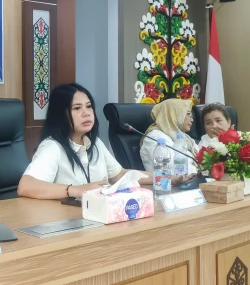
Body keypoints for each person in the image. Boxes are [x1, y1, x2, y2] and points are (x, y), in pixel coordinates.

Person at [17, 83, 154, 201]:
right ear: (60, 115)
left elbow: (120, 175)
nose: (86, 113)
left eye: (89, 106)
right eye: (77, 108)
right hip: (65, 218)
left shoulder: (95, 143)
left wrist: (163, 177)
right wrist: (76, 190)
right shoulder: (52, 147)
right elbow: (26, 186)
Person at [140, 98, 199, 174]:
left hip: (190, 179)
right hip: (166, 181)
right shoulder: (155, 137)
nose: (192, 119)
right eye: (188, 114)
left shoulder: (185, 138)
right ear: (173, 115)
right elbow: (173, 169)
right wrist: (199, 171)